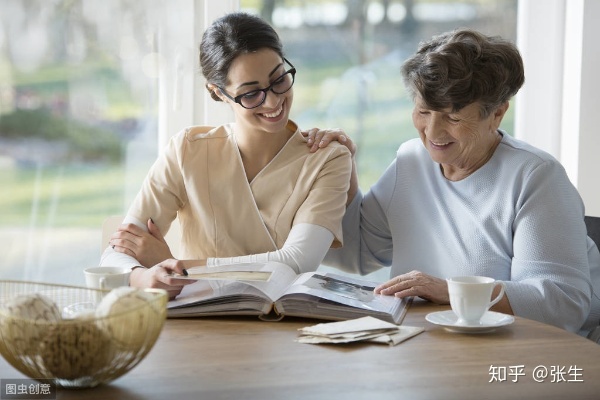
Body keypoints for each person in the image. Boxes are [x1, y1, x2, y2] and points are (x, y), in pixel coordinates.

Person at [307, 28, 600, 336]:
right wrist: (339, 166)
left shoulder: (536, 176)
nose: (432, 132)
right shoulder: (411, 160)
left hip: (532, 351)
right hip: (433, 343)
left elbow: (562, 303)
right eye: (423, 111)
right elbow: (357, 251)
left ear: (497, 113)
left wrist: (451, 291)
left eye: (453, 118)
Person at [100, 12, 352, 299]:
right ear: (218, 92)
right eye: (251, 93)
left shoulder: (327, 159)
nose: (272, 101)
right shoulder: (187, 151)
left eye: (279, 79)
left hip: (281, 330)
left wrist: (178, 267)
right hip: (197, 322)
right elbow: (116, 254)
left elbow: (296, 262)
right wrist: (143, 277)